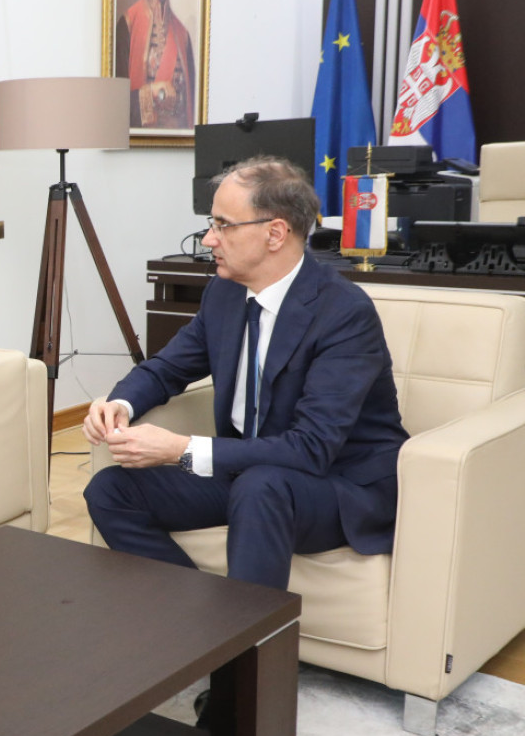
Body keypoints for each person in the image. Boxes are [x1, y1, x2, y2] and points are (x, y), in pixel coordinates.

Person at [84, 156, 409, 593]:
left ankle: (246, 635)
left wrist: (181, 449)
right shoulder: (224, 293)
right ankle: (195, 617)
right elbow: (167, 367)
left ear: (275, 233)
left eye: (223, 225)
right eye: (211, 223)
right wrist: (119, 405)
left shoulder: (344, 313)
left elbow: (311, 448)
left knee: (261, 486)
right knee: (110, 490)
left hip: (337, 484)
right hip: (249, 474)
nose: (208, 238)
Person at [114, 0, 196, 130]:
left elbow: (190, 112)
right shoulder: (127, 24)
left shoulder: (183, 36)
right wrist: (151, 93)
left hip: (176, 140)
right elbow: (116, 105)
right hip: (139, 139)